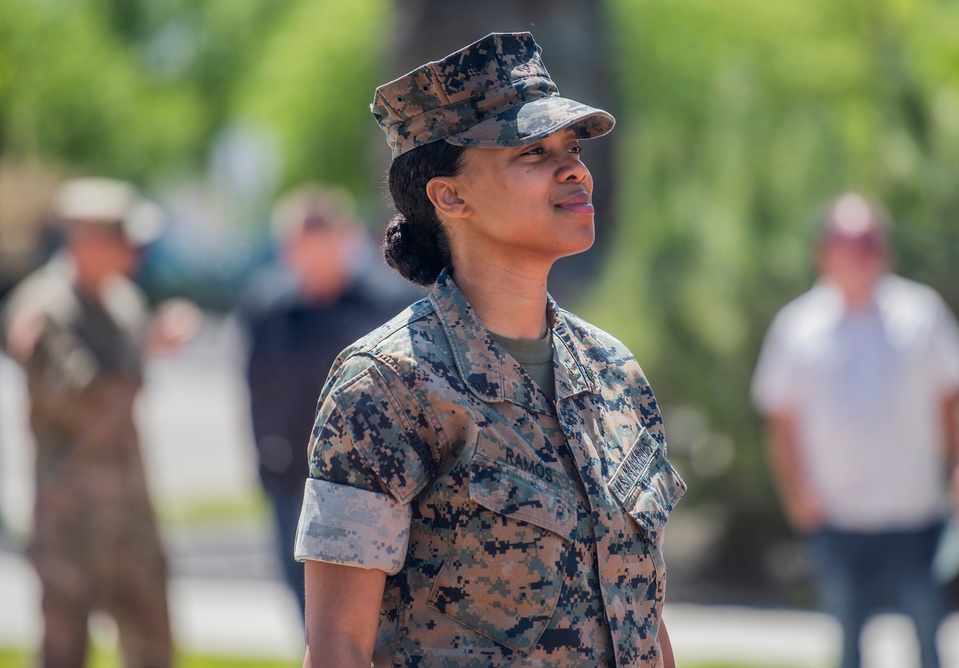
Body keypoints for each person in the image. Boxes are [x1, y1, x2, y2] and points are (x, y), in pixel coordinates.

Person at [293, 32, 687, 667]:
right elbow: (338, 646)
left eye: (574, 147)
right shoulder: (387, 387)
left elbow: (639, 611)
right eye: (532, 152)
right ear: (451, 196)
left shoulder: (613, 372)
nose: (575, 170)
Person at [751, 193, 959, 668]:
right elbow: (780, 419)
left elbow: (954, 399)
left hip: (916, 513)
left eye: (869, 242)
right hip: (838, 519)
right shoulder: (797, 326)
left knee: (929, 639)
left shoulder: (922, 312)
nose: (859, 253)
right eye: (847, 242)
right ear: (824, 251)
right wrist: (797, 497)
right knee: (848, 645)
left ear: (885, 249)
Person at [0, 177, 197, 668]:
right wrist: (148, 350)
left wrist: (145, 344)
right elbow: (81, 404)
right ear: (87, 242)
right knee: (64, 652)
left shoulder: (122, 300)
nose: (135, 250)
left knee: (153, 645)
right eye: (124, 238)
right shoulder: (44, 310)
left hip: (130, 511)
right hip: (70, 518)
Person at [239, 184, 411, 620]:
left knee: (374, 616)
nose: (309, 259)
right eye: (298, 248)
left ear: (343, 241)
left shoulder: (386, 305)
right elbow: (254, 390)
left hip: (372, 486)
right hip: (291, 481)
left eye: (320, 246)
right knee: (309, 614)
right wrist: (264, 466)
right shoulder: (268, 309)